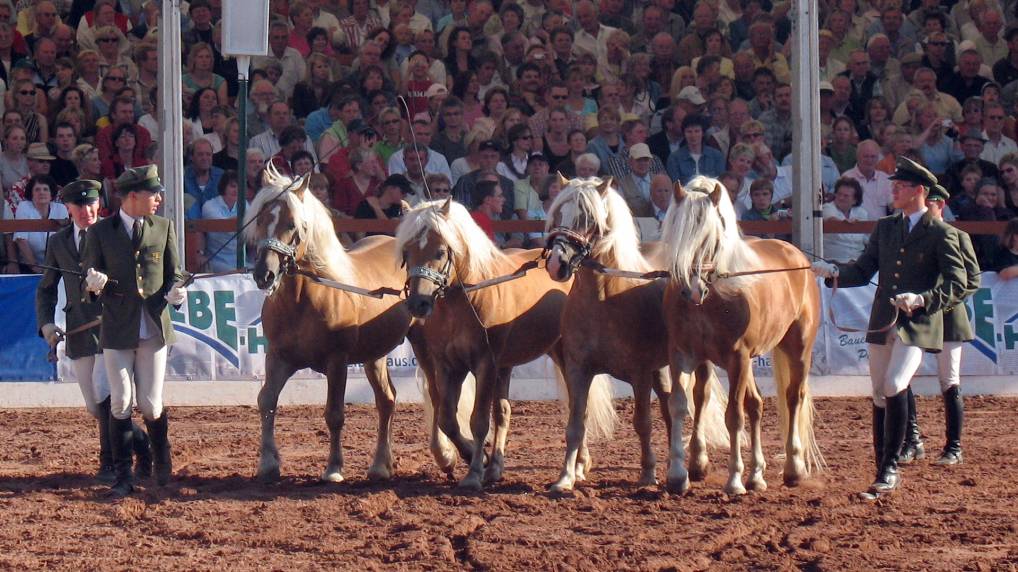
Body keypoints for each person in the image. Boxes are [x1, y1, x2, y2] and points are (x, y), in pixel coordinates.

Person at [811, 156, 967, 500]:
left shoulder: (940, 232)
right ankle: (882, 466)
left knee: (896, 384)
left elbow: (957, 284)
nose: (893, 190)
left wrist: (924, 299)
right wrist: (832, 271)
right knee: (880, 392)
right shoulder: (885, 227)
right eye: (894, 185)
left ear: (920, 191)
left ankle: (890, 469)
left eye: (901, 186)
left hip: (917, 325)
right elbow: (864, 270)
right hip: (883, 319)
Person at [35, 179, 151, 484]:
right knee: (93, 405)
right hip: (78, 329)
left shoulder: (114, 234)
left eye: (91, 204)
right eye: (79, 205)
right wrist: (46, 323)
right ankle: (140, 442)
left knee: (105, 395)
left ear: (99, 204)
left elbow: (134, 279)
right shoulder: (58, 242)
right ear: (69, 208)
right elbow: (47, 288)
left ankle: (110, 462)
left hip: (111, 325)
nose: (86, 211)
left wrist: (109, 287)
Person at [82, 165, 187, 497]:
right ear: (132, 197)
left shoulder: (163, 227)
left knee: (151, 405)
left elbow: (176, 271)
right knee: (121, 402)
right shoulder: (101, 232)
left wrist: (177, 291)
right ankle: (122, 476)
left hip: (153, 326)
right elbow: (89, 273)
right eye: (152, 193)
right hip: (117, 328)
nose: (158, 199)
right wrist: (94, 284)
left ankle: (162, 457)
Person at [898, 184, 979, 467]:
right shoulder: (910, 235)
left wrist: (942, 302)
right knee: (902, 378)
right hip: (918, 317)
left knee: (949, 381)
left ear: (940, 205)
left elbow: (971, 279)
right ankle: (912, 440)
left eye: (931, 203)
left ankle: (953, 446)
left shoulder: (956, 236)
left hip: (947, 316)